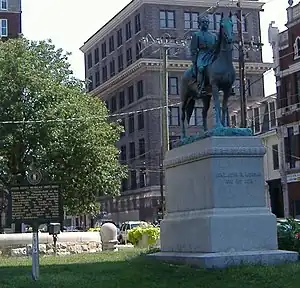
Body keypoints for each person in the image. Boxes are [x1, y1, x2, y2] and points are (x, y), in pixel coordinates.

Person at [190, 15, 217, 97]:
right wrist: (194, 60)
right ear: (200, 24)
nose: (205, 23)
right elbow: (193, 49)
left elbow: (217, 47)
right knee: (201, 68)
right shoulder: (196, 35)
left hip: (211, 55)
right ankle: (200, 87)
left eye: (206, 22)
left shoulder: (213, 35)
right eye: (203, 22)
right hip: (201, 54)